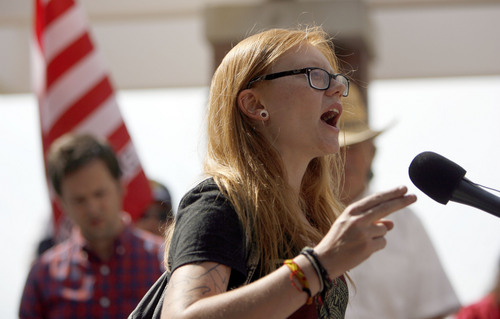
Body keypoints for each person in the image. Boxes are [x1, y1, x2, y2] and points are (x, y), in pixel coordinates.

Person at [132, 26, 417, 319]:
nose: (336, 90)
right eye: (314, 76)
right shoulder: (220, 202)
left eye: (335, 80)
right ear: (255, 104)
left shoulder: (313, 216)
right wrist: (319, 265)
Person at [339, 85, 461, 318]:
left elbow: (437, 311)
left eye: (352, 147)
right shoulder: (296, 217)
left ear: (372, 152)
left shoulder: (404, 221)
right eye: (336, 148)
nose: (344, 158)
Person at [19, 134, 165, 319]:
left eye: (100, 194)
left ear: (120, 186)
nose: (92, 208)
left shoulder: (163, 261)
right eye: (79, 200)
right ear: (61, 203)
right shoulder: (44, 276)